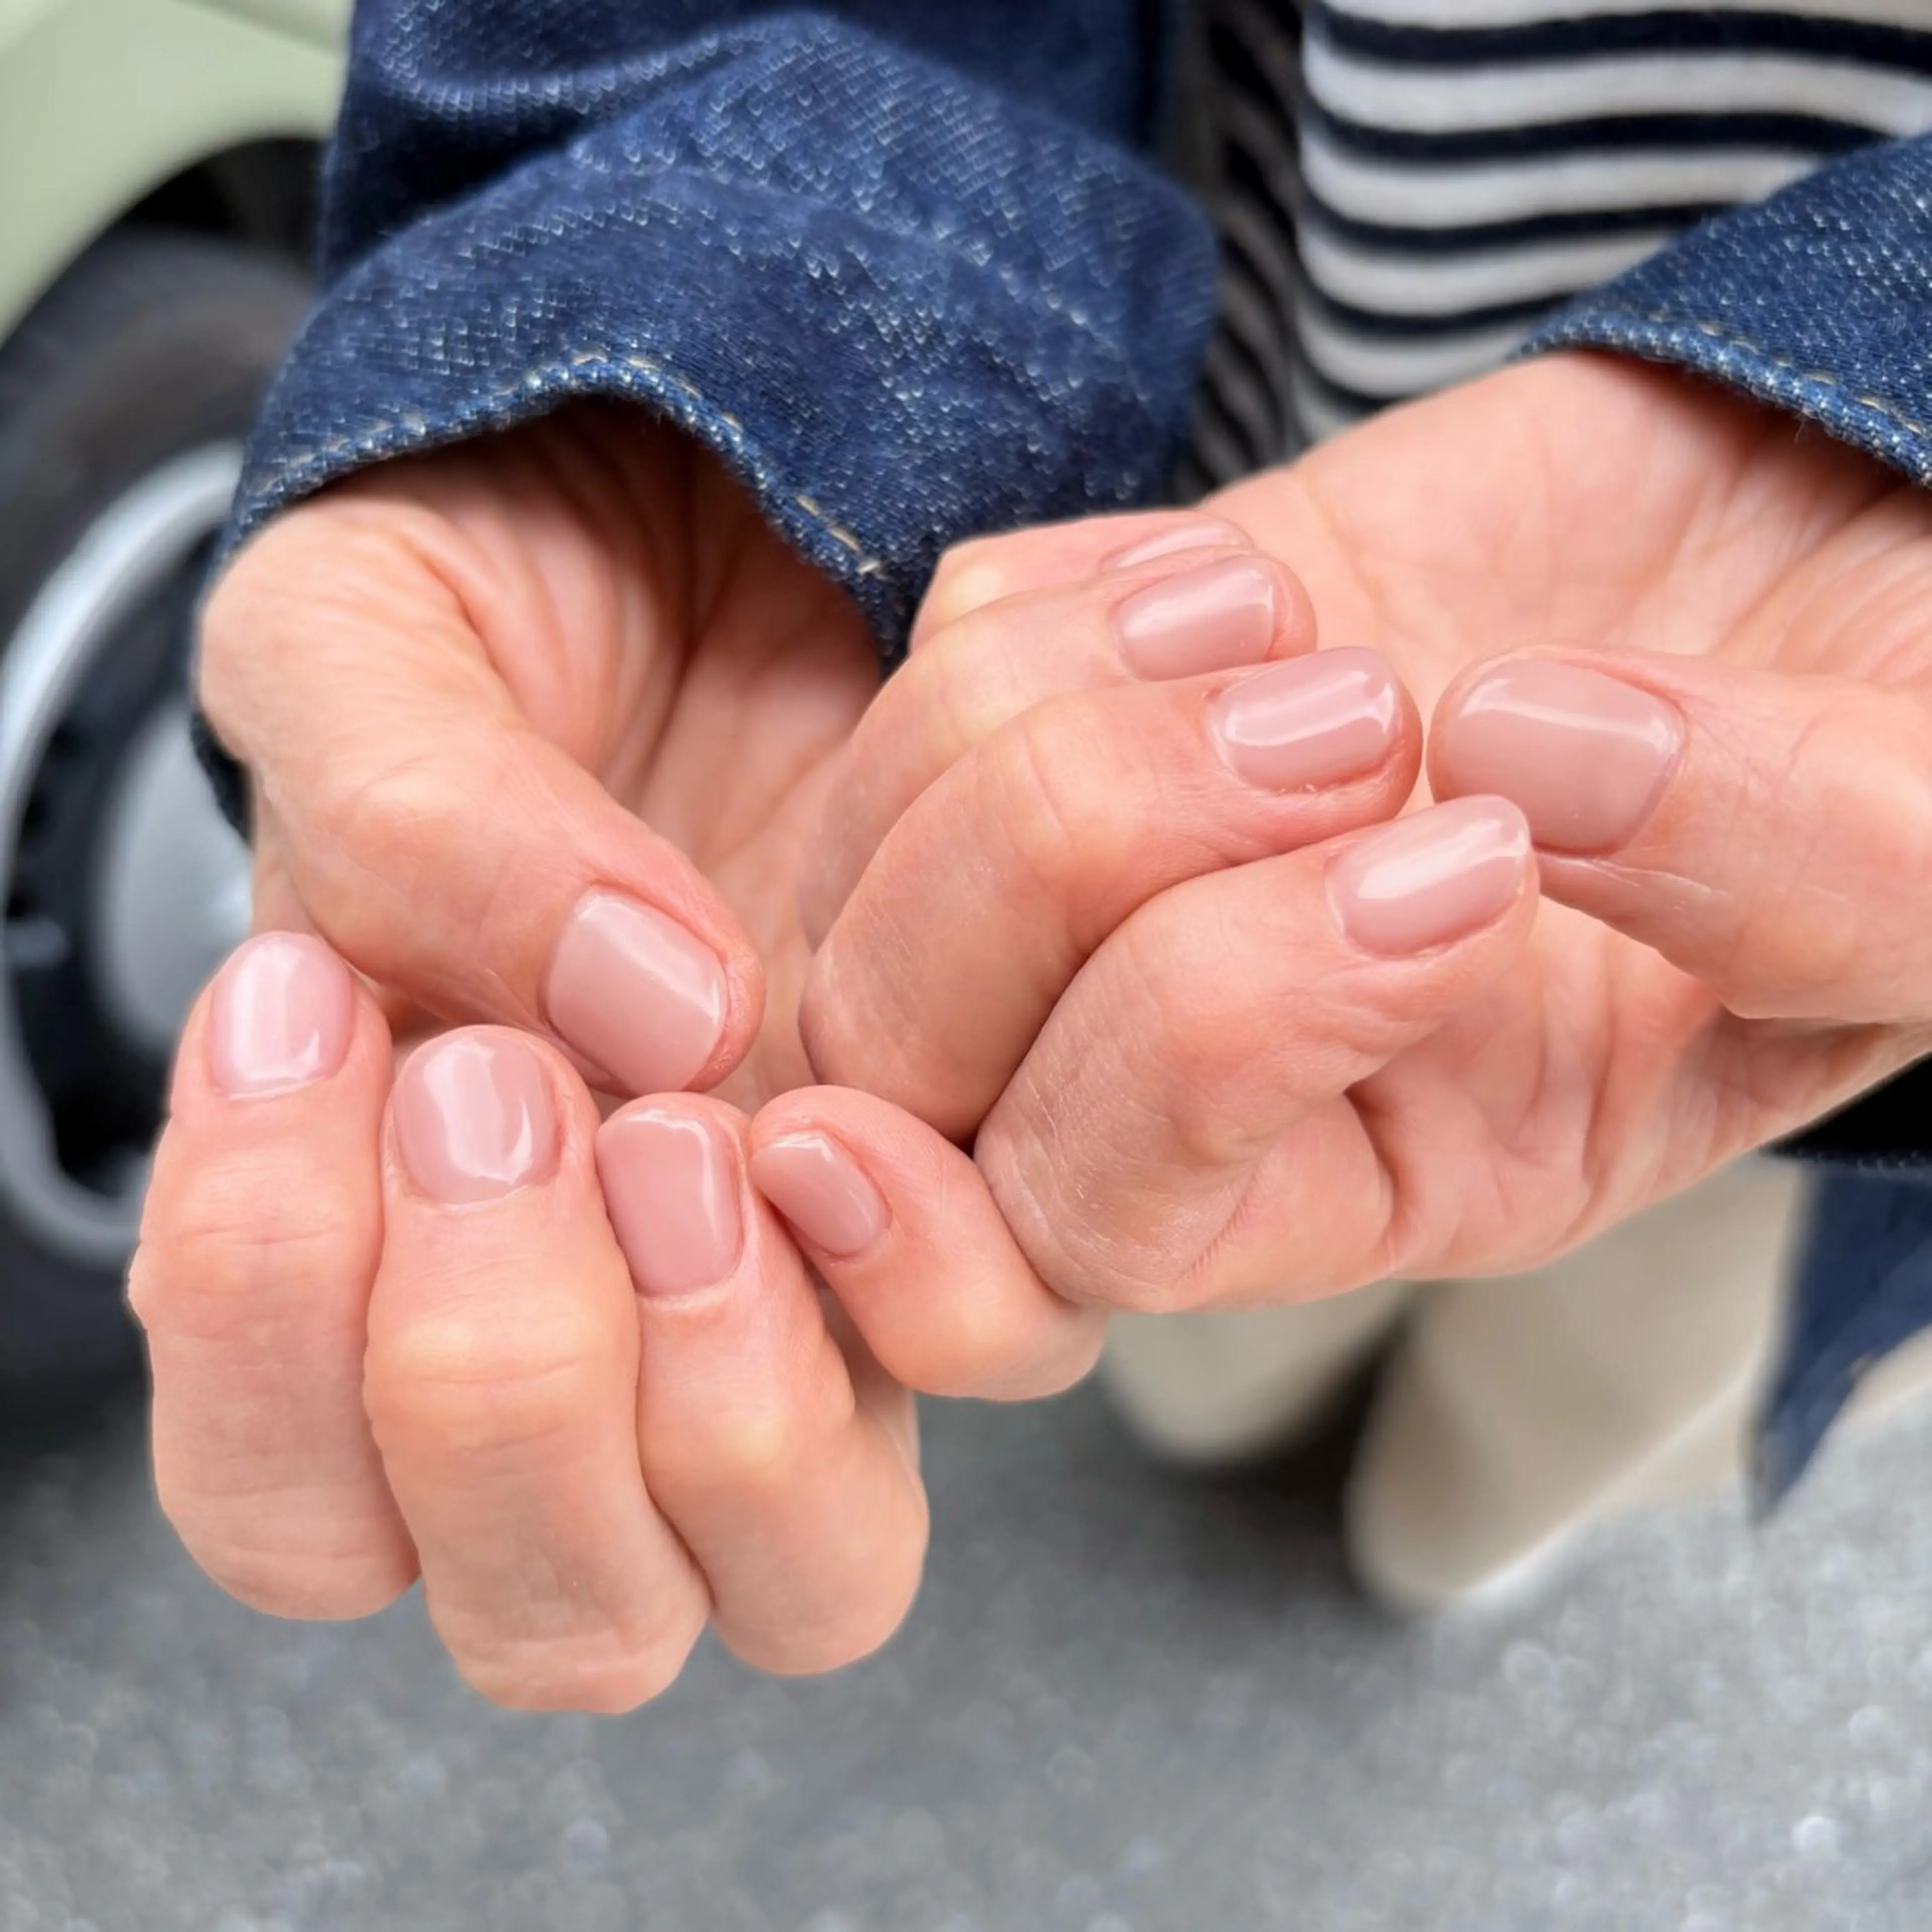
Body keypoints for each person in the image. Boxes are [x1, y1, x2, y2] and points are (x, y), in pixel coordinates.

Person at [129, 1, 1932, 1710]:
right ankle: (1246, 1429)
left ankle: (1458, 1539)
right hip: (1127, 541)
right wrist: (700, 339)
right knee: (1164, 1247)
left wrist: (1877, 401)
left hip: (1804, 824)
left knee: (1597, 1375)